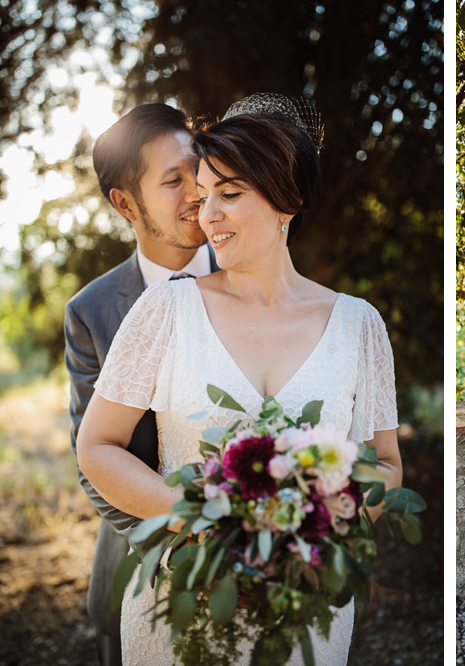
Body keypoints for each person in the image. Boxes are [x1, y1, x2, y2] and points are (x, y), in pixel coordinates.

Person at [75, 93, 402, 665]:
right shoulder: (163, 312)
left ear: (288, 201)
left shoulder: (360, 326)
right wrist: (199, 520)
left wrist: (316, 531)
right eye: (203, 198)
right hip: (184, 602)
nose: (207, 215)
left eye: (228, 195)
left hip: (306, 608)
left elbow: (388, 465)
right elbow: (96, 446)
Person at [64, 102, 217, 666]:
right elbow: (92, 458)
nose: (198, 190)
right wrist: (186, 543)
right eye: (173, 180)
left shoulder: (258, 274)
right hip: (137, 567)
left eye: (197, 168)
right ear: (125, 203)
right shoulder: (92, 312)